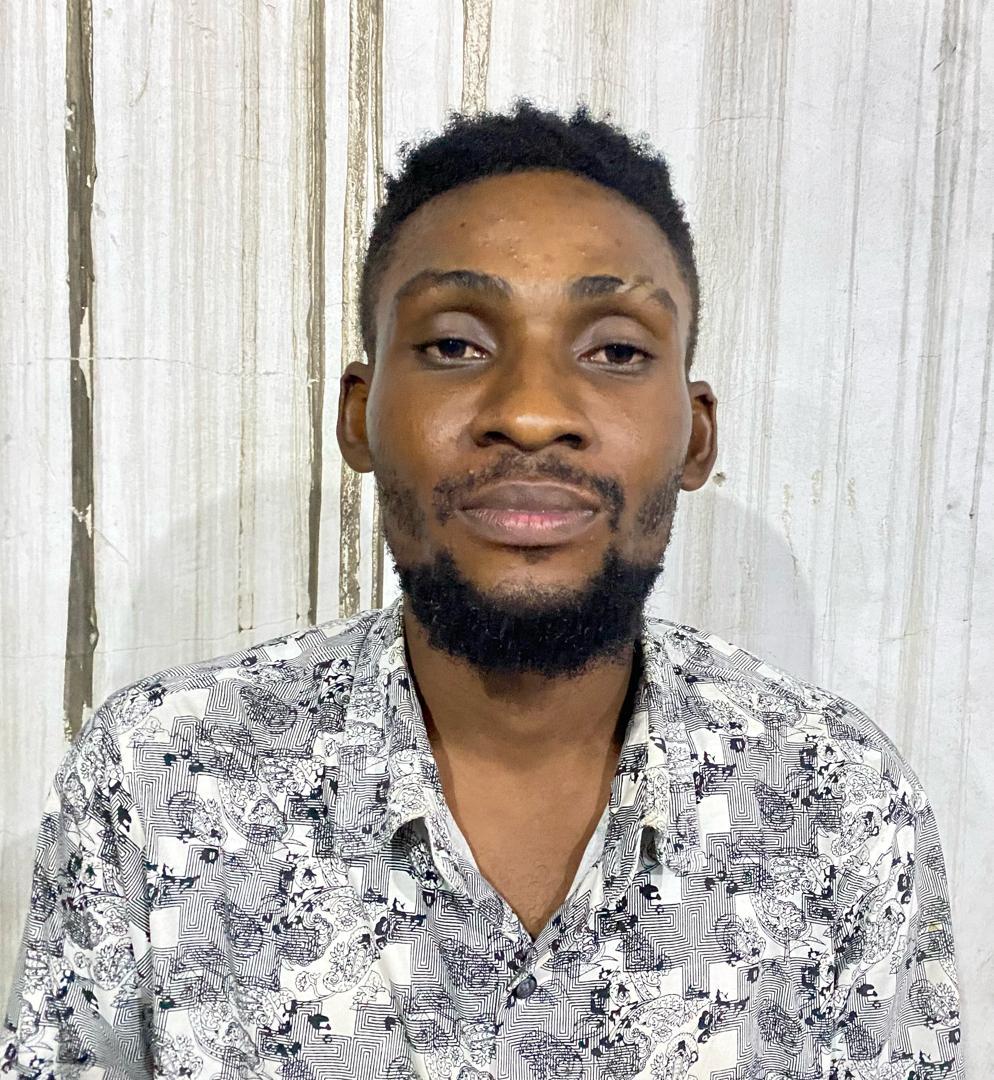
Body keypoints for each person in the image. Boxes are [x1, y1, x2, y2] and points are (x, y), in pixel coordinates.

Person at [3, 101, 964, 1080]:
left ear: (696, 434)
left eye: (616, 351)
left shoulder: (839, 801)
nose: (533, 413)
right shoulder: (158, 779)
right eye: (455, 345)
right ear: (359, 415)